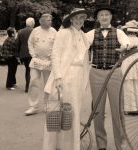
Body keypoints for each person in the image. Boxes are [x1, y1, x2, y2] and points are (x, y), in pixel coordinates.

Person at [85, 4, 132, 150]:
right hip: (96, 73)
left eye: (107, 14)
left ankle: (121, 144)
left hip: (115, 73)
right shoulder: (91, 33)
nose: (104, 17)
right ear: (98, 18)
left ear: (111, 17)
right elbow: (79, 45)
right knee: (98, 110)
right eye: (101, 15)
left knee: (117, 109)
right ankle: (101, 144)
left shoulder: (119, 32)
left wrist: (125, 47)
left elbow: (127, 43)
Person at [42, 8, 91, 150]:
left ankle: (70, 146)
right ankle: (52, 146)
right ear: (71, 19)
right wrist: (58, 77)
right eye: (76, 18)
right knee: (58, 111)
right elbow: (55, 55)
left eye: (82, 18)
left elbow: (86, 59)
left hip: (79, 76)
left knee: (72, 113)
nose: (79, 20)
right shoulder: (63, 33)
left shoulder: (84, 36)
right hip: (65, 75)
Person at [24, 14, 57, 116]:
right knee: (33, 82)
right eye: (48, 20)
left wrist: (53, 57)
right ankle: (33, 106)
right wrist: (33, 55)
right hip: (36, 61)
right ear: (41, 21)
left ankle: (48, 105)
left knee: (48, 85)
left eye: (50, 20)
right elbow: (30, 43)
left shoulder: (54, 31)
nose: (50, 22)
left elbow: (57, 46)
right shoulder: (35, 31)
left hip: (49, 61)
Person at [120, 20, 138, 115]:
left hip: (127, 61)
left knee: (127, 83)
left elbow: (123, 50)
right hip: (136, 63)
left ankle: (128, 108)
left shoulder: (124, 39)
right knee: (136, 83)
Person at [16, 17, 35, 93]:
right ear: (32, 23)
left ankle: (27, 87)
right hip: (32, 54)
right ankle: (30, 87)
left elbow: (17, 44)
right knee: (32, 70)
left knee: (27, 69)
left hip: (23, 55)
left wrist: (17, 55)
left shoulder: (20, 32)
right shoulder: (34, 31)